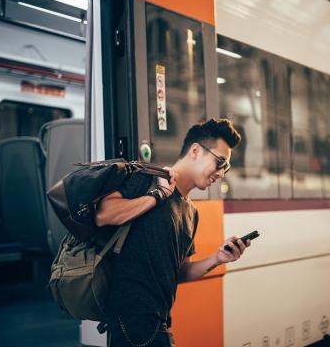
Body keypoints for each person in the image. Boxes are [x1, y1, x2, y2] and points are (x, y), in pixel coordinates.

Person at [95, 118, 250, 346]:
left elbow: (181, 272)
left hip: (158, 321)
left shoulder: (190, 212)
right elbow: (104, 214)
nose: (221, 173)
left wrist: (219, 258)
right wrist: (158, 195)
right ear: (196, 151)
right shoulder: (148, 179)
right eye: (220, 162)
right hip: (132, 321)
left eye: (225, 167)